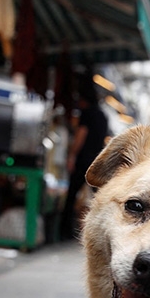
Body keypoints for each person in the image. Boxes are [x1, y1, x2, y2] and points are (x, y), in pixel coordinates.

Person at [60, 82, 110, 241]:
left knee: (71, 196)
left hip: (83, 161)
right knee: (101, 199)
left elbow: (81, 135)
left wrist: (72, 156)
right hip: (97, 161)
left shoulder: (87, 113)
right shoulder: (103, 115)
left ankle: (65, 231)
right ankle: (102, 233)